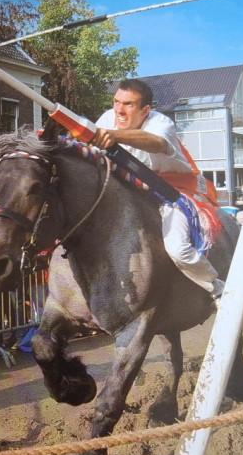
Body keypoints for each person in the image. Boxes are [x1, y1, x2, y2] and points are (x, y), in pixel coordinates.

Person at [92, 78, 223, 300]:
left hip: (172, 193)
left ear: (146, 110)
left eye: (128, 104)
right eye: (116, 102)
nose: (119, 111)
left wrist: (114, 135)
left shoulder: (162, 123)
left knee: (178, 249)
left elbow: (156, 143)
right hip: (130, 192)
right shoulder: (107, 118)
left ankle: (217, 288)